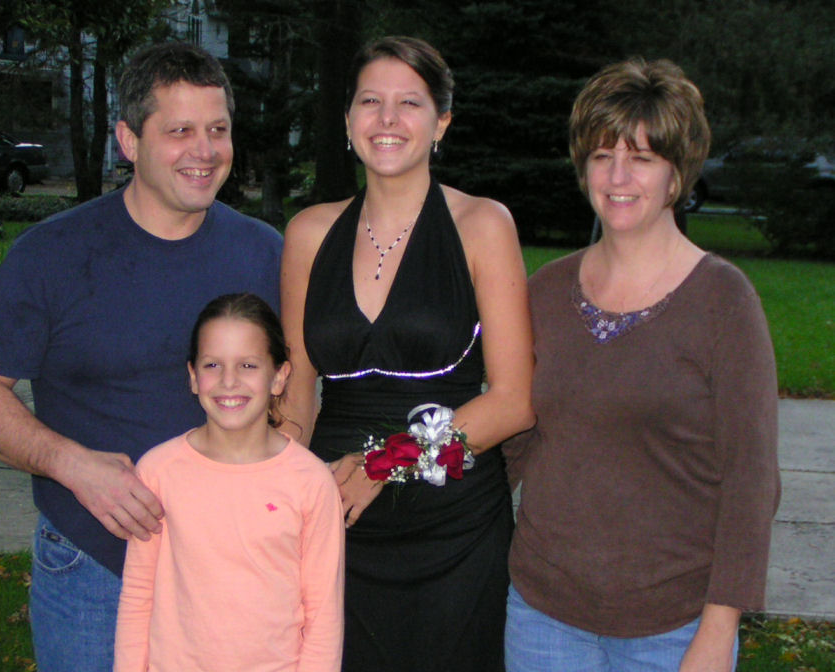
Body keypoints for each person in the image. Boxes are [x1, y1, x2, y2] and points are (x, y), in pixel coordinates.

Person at [0, 42, 283, 672]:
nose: (205, 150)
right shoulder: (52, 255)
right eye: (180, 131)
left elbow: (298, 381)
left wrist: (280, 473)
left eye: (218, 130)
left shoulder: (264, 253)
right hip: (94, 569)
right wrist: (71, 465)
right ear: (129, 140)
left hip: (233, 563)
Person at [502, 58, 780, 672]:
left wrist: (718, 631)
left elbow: (751, 481)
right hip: (544, 617)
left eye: (643, 157)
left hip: (674, 627)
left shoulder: (723, 301)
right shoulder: (544, 292)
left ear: (677, 173)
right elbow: (512, 443)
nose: (618, 176)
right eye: (602, 155)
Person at [280, 36, 535, 672]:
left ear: (441, 122)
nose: (388, 119)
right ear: (347, 120)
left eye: (410, 103)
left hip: (454, 536)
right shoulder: (308, 233)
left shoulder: (483, 225)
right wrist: (282, 488)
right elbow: (296, 396)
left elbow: (513, 402)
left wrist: (382, 464)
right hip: (337, 529)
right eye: (370, 101)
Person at [114, 293, 344, 672]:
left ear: (279, 376)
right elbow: (138, 596)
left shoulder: (311, 482)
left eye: (248, 365)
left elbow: (324, 615)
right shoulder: (158, 471)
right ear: (193, 376)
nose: (229, 381)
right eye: (212, 365)